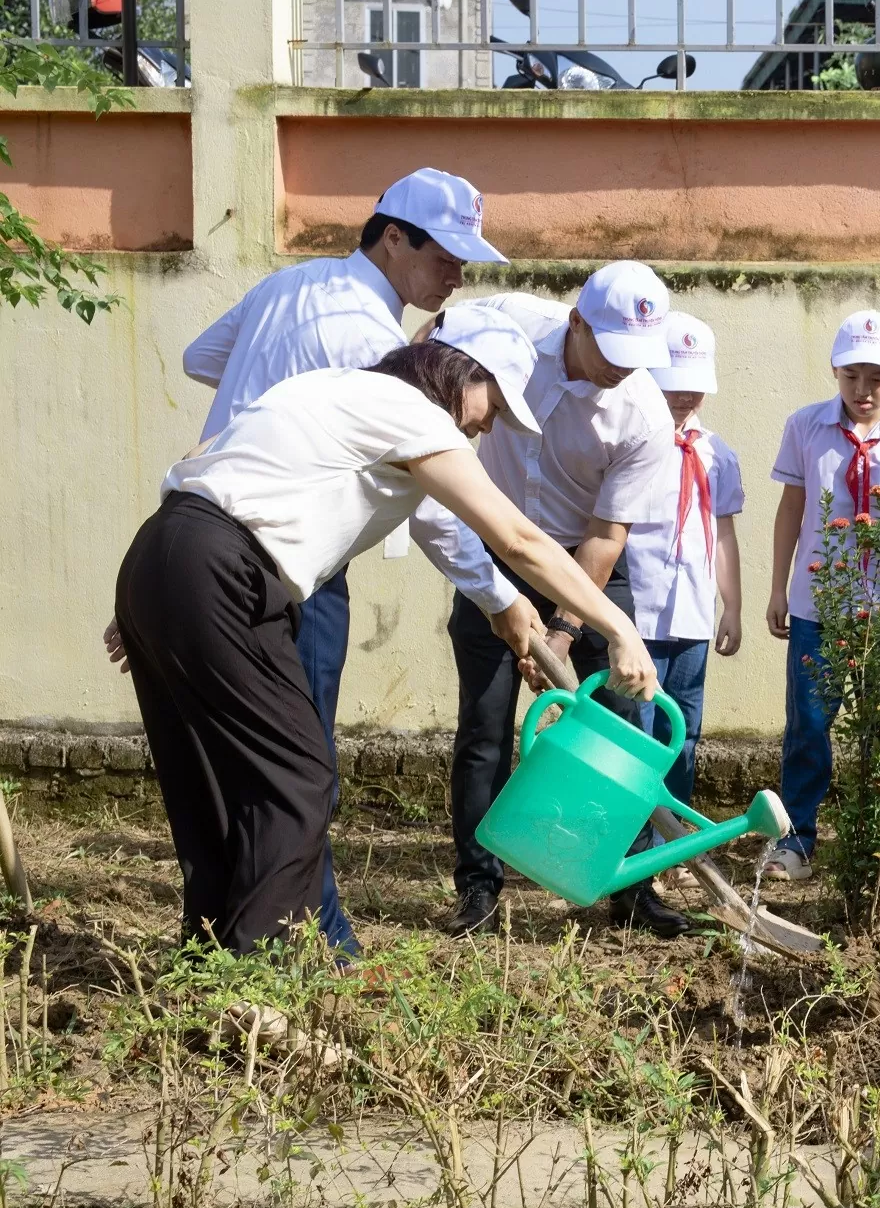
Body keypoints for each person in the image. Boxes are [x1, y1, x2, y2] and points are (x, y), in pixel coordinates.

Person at [107, 307, 656, 955]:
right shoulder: (415, 414)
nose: (485, 425)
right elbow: (515, 537)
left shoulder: (331, 390)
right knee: (299, 779)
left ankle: (207, 956)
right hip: (226, 570)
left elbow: (203, 458)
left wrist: (162, 587)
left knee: (211, 778)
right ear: (459, 373)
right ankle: (255, 979)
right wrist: (616, 624)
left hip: (163, 553)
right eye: (492, 403)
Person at [174, 166, 522, 955]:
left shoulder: (288, 285)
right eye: (445, 256)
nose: (456, 275)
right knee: (301, 765)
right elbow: (438, 505)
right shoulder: (375, 343)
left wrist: (267, 397)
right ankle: (317, 938)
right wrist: (501, 600)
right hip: (297, 566)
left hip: (211, 537)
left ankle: (242, 933)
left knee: (244, 758)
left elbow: (203, 357)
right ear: (392, 236)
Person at [417, 262, 684, 938]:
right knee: (484, 727)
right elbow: (428, 345)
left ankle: (630, 885)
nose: (624, 370)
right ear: (576, 323)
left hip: (582, 566)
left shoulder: (644, 414)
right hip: (489, 555)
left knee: (622, 724)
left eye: (638, 357)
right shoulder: (509, 323)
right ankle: (478, 886)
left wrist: (563, 632)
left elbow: (605, 534)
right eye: (612, 351)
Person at [762, 310, 880, 881]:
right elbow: (792, 509)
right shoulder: (805, 426)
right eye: (852, 377)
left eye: (876, 377)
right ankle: (796, 840)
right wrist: (778, 588)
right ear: (835, 372)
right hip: (819, 605)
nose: (863, 391)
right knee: (810, 724)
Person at [625, 313, 743, 806]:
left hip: (692, 615)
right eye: (674, 385)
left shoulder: (718, 454)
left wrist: (732, 607)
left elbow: (722, 534)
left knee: (684, 730)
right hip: (636, 613)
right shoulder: (628, 444)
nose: (684, 397)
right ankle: (633, 839)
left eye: (694, 387)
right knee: (635, 730)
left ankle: (671, 843)